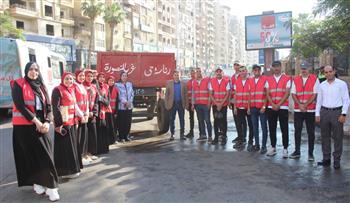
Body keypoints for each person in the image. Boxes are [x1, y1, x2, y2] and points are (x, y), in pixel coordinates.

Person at [11, 62, 59, 201]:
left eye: (36, 70)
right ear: (26, 71)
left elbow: (49, 108)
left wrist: (47, 122)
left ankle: (51, 187)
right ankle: (38, 183)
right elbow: (20, 106)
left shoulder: (42, 87)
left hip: (42, 126)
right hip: (24, 127)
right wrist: (37, 122)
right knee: (30, 156)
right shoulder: (18, 84)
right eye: (31, 69)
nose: (34, 72)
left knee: (46, 156)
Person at [316, 65, 350, 169]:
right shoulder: (322, 85)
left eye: (330, 71)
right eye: (326, 72)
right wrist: (317, 114)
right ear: (324, 73)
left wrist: (343, 114)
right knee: (325, 137)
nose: (328, 74)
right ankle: (326, 159)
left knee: (338, 137)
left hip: (337, 112)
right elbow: (319, 101)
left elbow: (346, 100)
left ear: (334, 71)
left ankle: (337, 160)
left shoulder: (341, 84)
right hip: (324, 112)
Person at [52, 72, 81, 179]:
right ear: (62, 79)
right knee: (64, 149)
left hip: (72, 122)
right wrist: (59, 124)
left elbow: (73, 107)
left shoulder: (72, 90)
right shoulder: (57, 90)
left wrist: (76, 120)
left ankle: (72, 169)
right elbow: (56, 108)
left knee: (71, 147)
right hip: (63, 124)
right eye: (67, 79)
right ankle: (64, 172)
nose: (69, 81)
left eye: (71, 79)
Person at [289, 61, 319, 161]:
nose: (304, 70)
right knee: (297, 131)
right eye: (302, 69)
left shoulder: (315, 79)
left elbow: (314, 94)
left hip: (310, 110)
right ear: (300, 69)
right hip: (298, 110)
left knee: (311, 132)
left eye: (305, 68)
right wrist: (300, 105)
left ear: (309, 69)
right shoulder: (296, 79)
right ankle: (297, 151)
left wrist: (304, 105)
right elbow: (293, 94)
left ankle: (310, 153)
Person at [265, 61, 291, 158]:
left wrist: (278, 104)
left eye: (278, 66)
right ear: (272, 68)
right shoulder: (269, 79)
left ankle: (285, 148)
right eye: (274, 66)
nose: (276, 68)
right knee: (272, 128)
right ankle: (273, 147)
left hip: (283, 107)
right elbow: (267, 93)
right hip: (271, 107)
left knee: (284, 128)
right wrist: (272, 104)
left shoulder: (286, 78)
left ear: (281, 67)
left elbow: (287, 93)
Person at [249, 64, 268, 154]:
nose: (256, 71)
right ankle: (257, 145)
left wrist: (264, 106)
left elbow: (267, 94)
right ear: (253, 71)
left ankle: (264, 146)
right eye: (255, 70)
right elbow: (249, 95)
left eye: (258, 70)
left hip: (262, 108)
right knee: (255, 127)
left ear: (260, 71)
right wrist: (248, 107)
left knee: (264, 127)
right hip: (253, 108)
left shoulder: (265, 79)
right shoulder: (250, 80)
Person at [233, 66, 253, 150]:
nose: (242, 72)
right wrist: (234, 107)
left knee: (250, 125)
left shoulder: (250, 81)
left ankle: (250, 141)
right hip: (239, 107)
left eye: (244, 71)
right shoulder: (237, 82)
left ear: (246, 71)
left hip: (247, 107)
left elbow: (250, 95)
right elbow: (235, 95)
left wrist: (248, 108)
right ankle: (241, 140)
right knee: (239, 124)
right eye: (240, 71)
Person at [165, 70, 188, 141]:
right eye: (175, 75)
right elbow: (167, 95)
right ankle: (172, 134)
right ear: (173, 76)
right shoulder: (169, 83)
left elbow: (185, 95)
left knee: (182, 120)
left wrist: (186, 105)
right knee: (172, 119)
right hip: (172, 104)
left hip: (181, 104)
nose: (176, 76)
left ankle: (182, 134)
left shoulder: (183, 84)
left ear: (180, 76)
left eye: (178, 75)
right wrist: (166, 105)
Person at [74, 69, 91, 166]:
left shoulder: (83, 86)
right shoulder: (74, 86)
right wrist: (81, 115)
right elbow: (74, 103)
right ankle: (79, 157)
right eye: (80, 76)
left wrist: (87, 113)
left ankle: (83, 155)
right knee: (79, 138)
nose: (82, 77)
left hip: (85, 115)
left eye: (83, 76)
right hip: (78, 116)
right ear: (76, 76)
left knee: (84, 137)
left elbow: (87, 101)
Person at [209, 68, 230, 145]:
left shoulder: (226, 81)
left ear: (222, 73)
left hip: (223, 105)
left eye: (220, 72)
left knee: (224, 121)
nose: (218, 73)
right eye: (217, 72)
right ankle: (216, 138)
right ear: (215, 73)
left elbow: (227, 94)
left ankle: (224, 137)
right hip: (215, 105)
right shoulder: (212, 81)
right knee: (216, 121)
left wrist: (221, 104)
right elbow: (211, 94)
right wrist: (217, 104)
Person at [192, 68, 212, 142]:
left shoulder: (207, 80)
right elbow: (193, 94)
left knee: (207, 120)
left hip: (206, 104)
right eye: (196, 72)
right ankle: (202, 135)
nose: (198, 73)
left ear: (201, 72)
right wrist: (193, 104)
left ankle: (210, 136)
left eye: (199, 71)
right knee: (200, 120)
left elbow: (210, 92)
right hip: (198, 105)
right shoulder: (194, 82)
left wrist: (209, 102)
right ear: (195, 74)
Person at [83, 70, 99, 160]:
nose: (89, 78)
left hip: (92, 114)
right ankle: (84, 154)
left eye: (91, 76)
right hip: (84, 114)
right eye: (88, 76)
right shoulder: (81, 86)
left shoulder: (94, 87)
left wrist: (94, 112)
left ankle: (91, 152)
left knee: (92, 134)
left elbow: (96, 101)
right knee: (85, 135)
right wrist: (86, 112)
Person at [116, 71, 134, 142]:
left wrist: (129, 101)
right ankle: (121, 137)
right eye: (123, 75)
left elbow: (132, 93)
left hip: (129, 106)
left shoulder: (130, 84)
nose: (124, 77)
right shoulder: (117, 85)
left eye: (125, 76)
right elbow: (119, 95)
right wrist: (125, 102)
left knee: (128, 122)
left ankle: (127, 136)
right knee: (121, 122)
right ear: (120, 77)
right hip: (122, 106)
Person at [95, 73, 110, 154]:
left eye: (103, 77)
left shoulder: (106, 87)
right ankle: (97, 150)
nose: (101, 79)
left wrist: (101, 98)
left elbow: (107, 102)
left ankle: (104, 149)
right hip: (96, 112)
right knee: (97, 132)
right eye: (100, 77)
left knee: (103, 130)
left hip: (103, 112)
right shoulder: (94, 86)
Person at [230, 61, 241, 143]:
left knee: (242, 120)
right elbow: (231, 89)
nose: (236, 66)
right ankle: (239, 136)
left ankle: (243, 137)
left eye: (238, 65)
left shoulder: (243, 75)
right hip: (234, 100)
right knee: (236, 119)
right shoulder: (233, 77)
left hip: (242, 101)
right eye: (235, 65)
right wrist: (230, 102)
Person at [107, 75, 119, 144]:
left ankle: (114, 139)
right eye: (110, 81)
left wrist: (116, 112)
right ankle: (108, 140)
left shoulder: (116, 89)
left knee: (114, 126)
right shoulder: (105, 88)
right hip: (107, 111)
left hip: (113, 111)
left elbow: (117, 101)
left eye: (112, 81)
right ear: (107, 81)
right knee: (108, 126)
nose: (111, 82)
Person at [185, 69, 196, 138]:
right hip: (190, 102)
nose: (192, 75)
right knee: (191, 117)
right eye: (191, 73)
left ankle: (202, 133)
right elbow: (187, 93)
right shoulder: (188, 82)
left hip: (197, 102)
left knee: (200, 118)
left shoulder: (197, 81)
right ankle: (191, 132)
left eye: (193, 73)